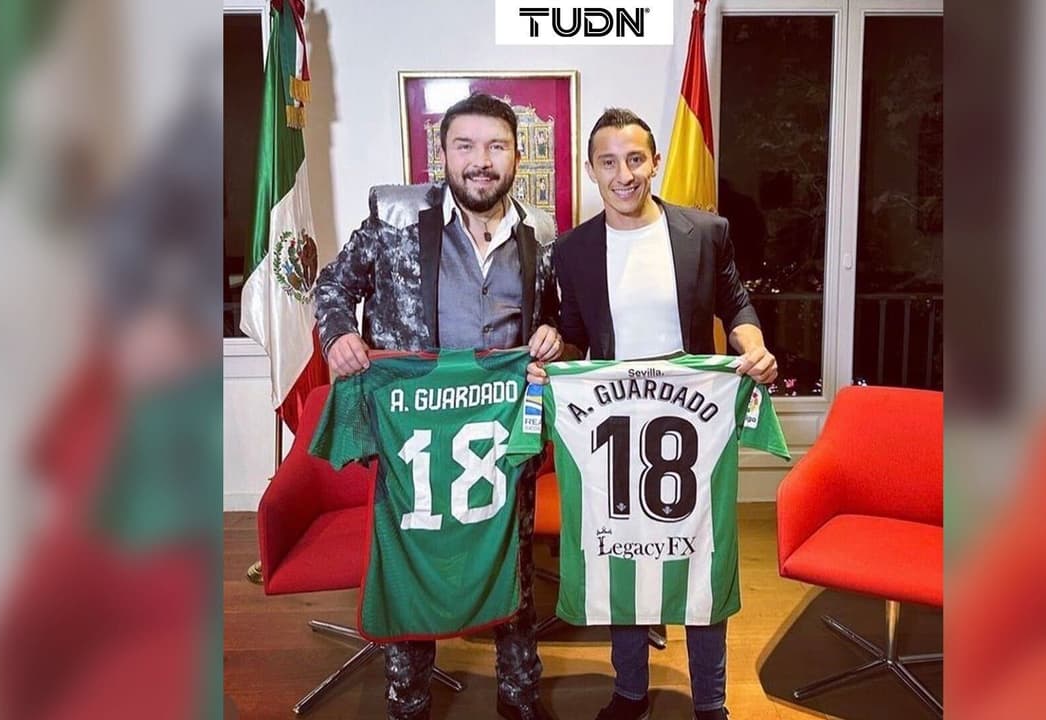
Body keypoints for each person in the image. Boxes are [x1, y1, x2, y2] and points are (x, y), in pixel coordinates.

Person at [313, 93, 562, 720]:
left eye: (496, 146)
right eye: (465, 145)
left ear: (516, 155)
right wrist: (339, 334)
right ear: (442, 155)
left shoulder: (538, 235)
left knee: (512, 559)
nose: (481, 160)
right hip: (415, 436)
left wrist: (554, 334)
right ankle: (409, 698)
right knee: (412, 558)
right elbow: (333, 286)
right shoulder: (394, 222)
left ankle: (519, 691)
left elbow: (556, 316)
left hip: (502, 432)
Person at [546, 108, 779, 720]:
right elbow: (575, 335)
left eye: (634, 159)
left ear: (654, 162)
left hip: (692, 426)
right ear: (591, 170)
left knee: (699, 556)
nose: (623, 174)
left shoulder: (705, 231)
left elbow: (736, 304)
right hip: (613, 431)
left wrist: (753, 346)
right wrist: (553, 355)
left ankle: (711, 703)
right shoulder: (571, 250)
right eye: (608, 162)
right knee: (624, 557)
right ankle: (629, 692)